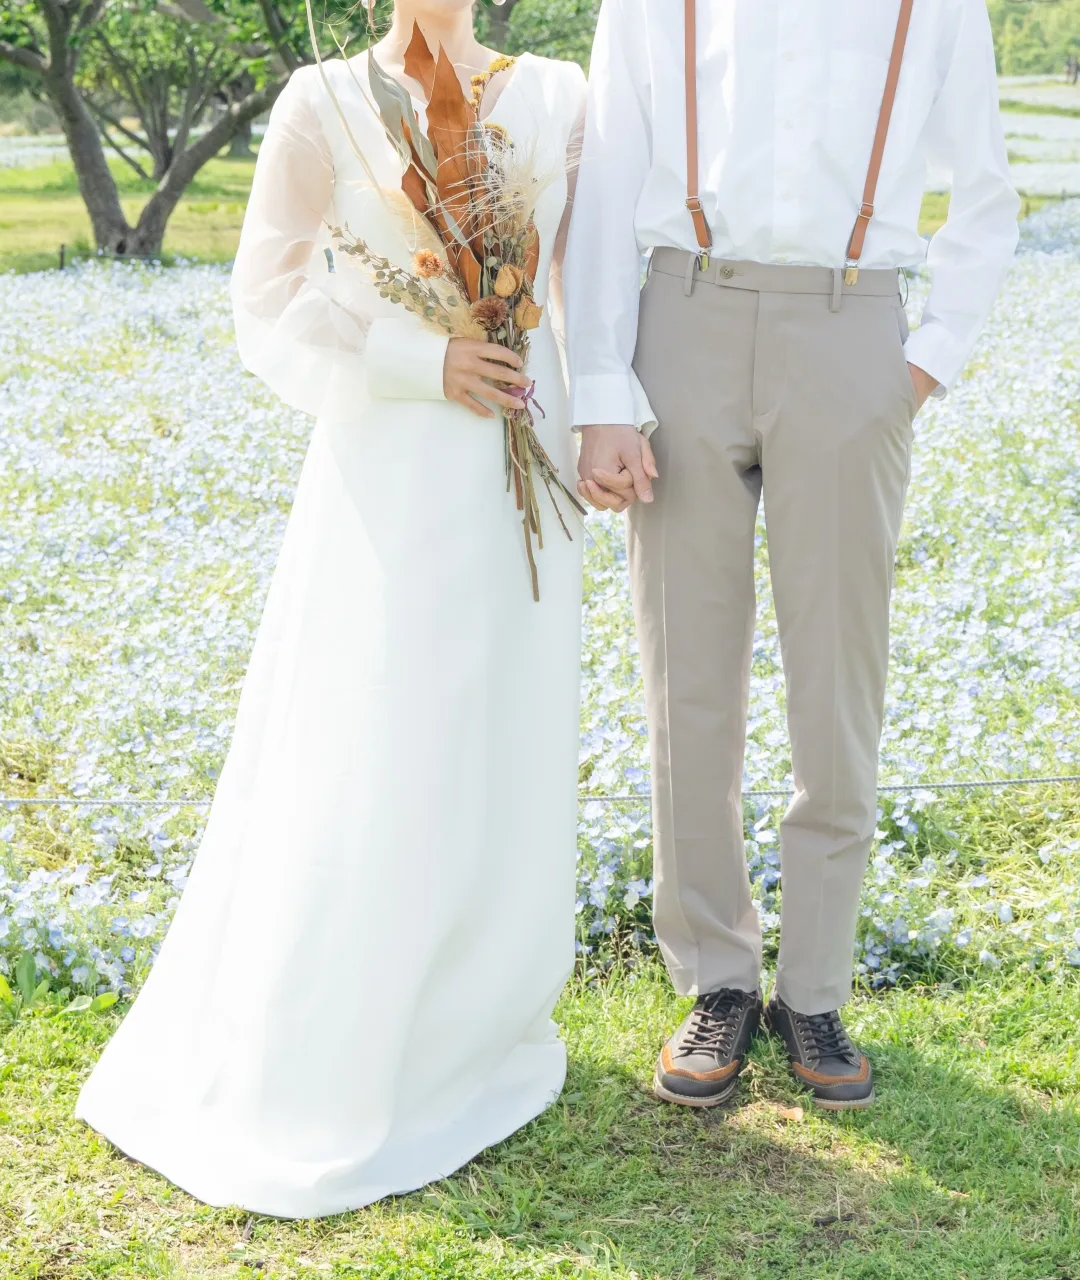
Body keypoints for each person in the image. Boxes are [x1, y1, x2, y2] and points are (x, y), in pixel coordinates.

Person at [74, 0, 597, 1218]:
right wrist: (428, 360)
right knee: (378, 732)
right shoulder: (319, 100)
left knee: (507, 731)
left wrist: (591, 411)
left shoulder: (564, 95)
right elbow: (267, 295)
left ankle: (478, 1021)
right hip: (393, 462)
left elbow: (587, 289)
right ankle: (352, 1035)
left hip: (527, 447)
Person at [566, 0, 1017, 1111]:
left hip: (852, 320)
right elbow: (610, 177)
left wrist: (919, 363)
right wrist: (600, 386)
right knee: (687, 680)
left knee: (837, 682)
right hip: (685, 312)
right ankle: (717, 978)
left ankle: (814, 988)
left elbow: (988, 191)